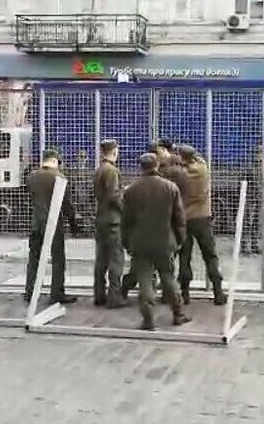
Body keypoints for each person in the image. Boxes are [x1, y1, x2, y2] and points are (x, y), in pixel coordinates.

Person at [122, 153, 191, 331]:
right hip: (165, 242)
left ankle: (148, 319)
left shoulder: (131, 190)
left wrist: (127, 243)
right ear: (157, 165)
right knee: (168, 277)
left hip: (141, 243)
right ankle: (178, 314)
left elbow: (126, 221)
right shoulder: (170, 188)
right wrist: (179, 239)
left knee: (144, 280)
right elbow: (179, 218)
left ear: (140, 166)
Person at [25, 149, 79, 306]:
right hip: (54, 223)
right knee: (57, 259)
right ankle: (57, 293)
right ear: (55, 161)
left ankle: (30, 291)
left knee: (34, 257)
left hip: (36, 222)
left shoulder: (32, 177)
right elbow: (66, 204)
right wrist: (73, 222)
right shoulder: (59, 178)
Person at [177, 144, 227, 305]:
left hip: (184, 218)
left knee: (184, 257)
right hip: (203, 218)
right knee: (210, 255)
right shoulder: (203, 169)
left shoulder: (180, 174)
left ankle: (185, 292)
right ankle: (218, 292)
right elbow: (197, 158)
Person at [93, 139, 127, 308]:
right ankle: (114, 297)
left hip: (101, 218)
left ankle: (99, 294)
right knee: (116, 259)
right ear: (115, 151)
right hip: (113, 220)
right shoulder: (112, 170)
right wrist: (125, 210)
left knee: (101, 259)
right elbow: (114, 196)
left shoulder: (99, 169)